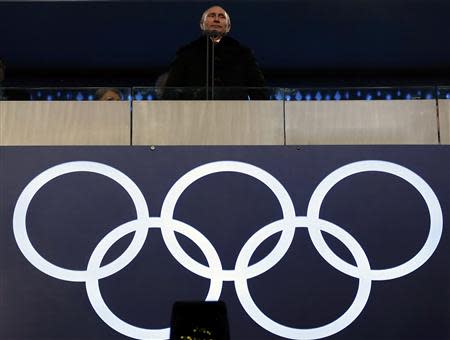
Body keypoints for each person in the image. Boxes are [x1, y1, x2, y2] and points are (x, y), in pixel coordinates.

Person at [164, 5, 266, 99]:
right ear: (202, 24)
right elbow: (170, 91)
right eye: (212, 16)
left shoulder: (243, 53)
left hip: (234, 113)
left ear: (228, 27)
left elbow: (259, 91)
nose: (216, 19)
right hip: (195, 113)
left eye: (221, 17)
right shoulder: (187, 52)